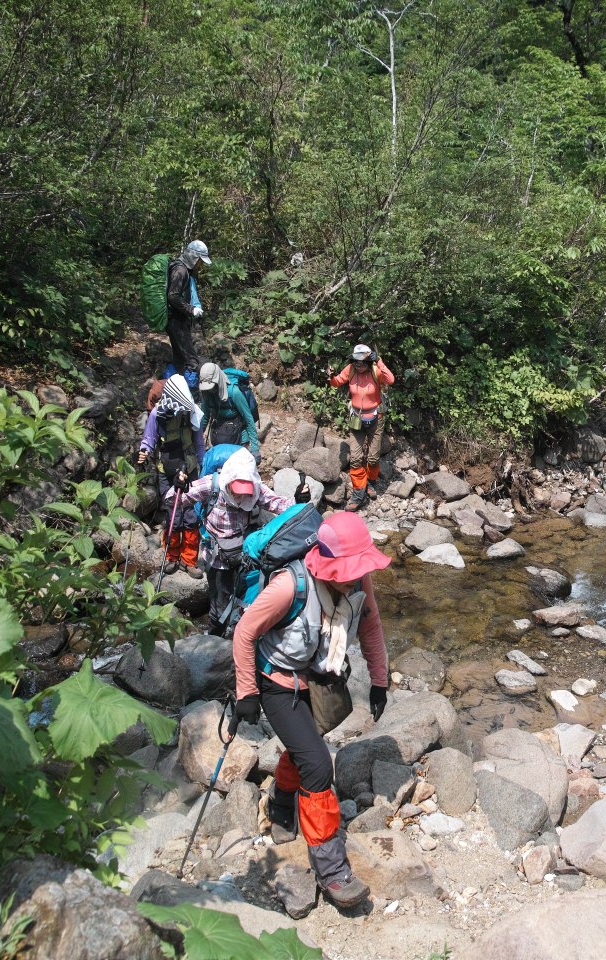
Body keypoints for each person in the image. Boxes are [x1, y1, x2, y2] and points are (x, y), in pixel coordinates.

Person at [232, 512, 392, 908]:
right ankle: (332, 872)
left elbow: (370, 627)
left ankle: (281, 804)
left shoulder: (357, 582)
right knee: (320, 766)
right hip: (277, 682)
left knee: (308, 749)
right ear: (327, 564)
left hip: (317, 678)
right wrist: (246, 693)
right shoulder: (290, 585)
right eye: (350, 570)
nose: (356, 577)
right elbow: (245, 631)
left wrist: (379, 680)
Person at [182, 447, 309, 637]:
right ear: (229, 479)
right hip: (217, 558)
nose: (240, 497)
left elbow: (278, 504)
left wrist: (298, 500)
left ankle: (239, 635)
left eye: (245, 491)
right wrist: (179, 486)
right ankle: (215, 642)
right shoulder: (211, 485)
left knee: (246, 599)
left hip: (245, 556)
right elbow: (174, 500)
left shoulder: (256, 488)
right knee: (220, 603)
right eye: (237, 490)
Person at [138, 375, 205, 576]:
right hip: (165, 472)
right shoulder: (157, 414)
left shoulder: (191, 413)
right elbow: (148, 440)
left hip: (189, 469)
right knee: (173, 515)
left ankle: (189, 560)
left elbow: (199, 443)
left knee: (191, 516)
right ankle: (172, 556)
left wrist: (203, 467)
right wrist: (143, 453)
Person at [328, 344, 394, 512]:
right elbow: (337, 383)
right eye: (356, 362)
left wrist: (379, 361)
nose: (359, 365)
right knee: (356, 458)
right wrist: (330, 376)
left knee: (373, 457)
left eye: (362, 362)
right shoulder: (350, 369)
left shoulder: (375, 371)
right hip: (356, 419)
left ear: (369, 360)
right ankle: (358, 493)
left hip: (376, 418)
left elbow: (391, 380)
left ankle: (371, 483)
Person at [167, 240, 211, 381]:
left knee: (180, 358)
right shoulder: (180, 271)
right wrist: (191, 309)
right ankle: (193, 395)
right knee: (191, 360)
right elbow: (173, 297)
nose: (201, 265)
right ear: (194, 258)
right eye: (200, 261)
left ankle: (170, 385)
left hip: (178, 319)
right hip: (176, 321)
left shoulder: (186, 270)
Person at [198, 362, 260, 456]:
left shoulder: (234, 392)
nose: (210, 390)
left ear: (217, 380)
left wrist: (255, 448)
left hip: (239, 440)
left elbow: (248, 419)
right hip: (218, 438)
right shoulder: (206, 393)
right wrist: (197, 441)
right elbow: (205, 418)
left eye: (212, 386)